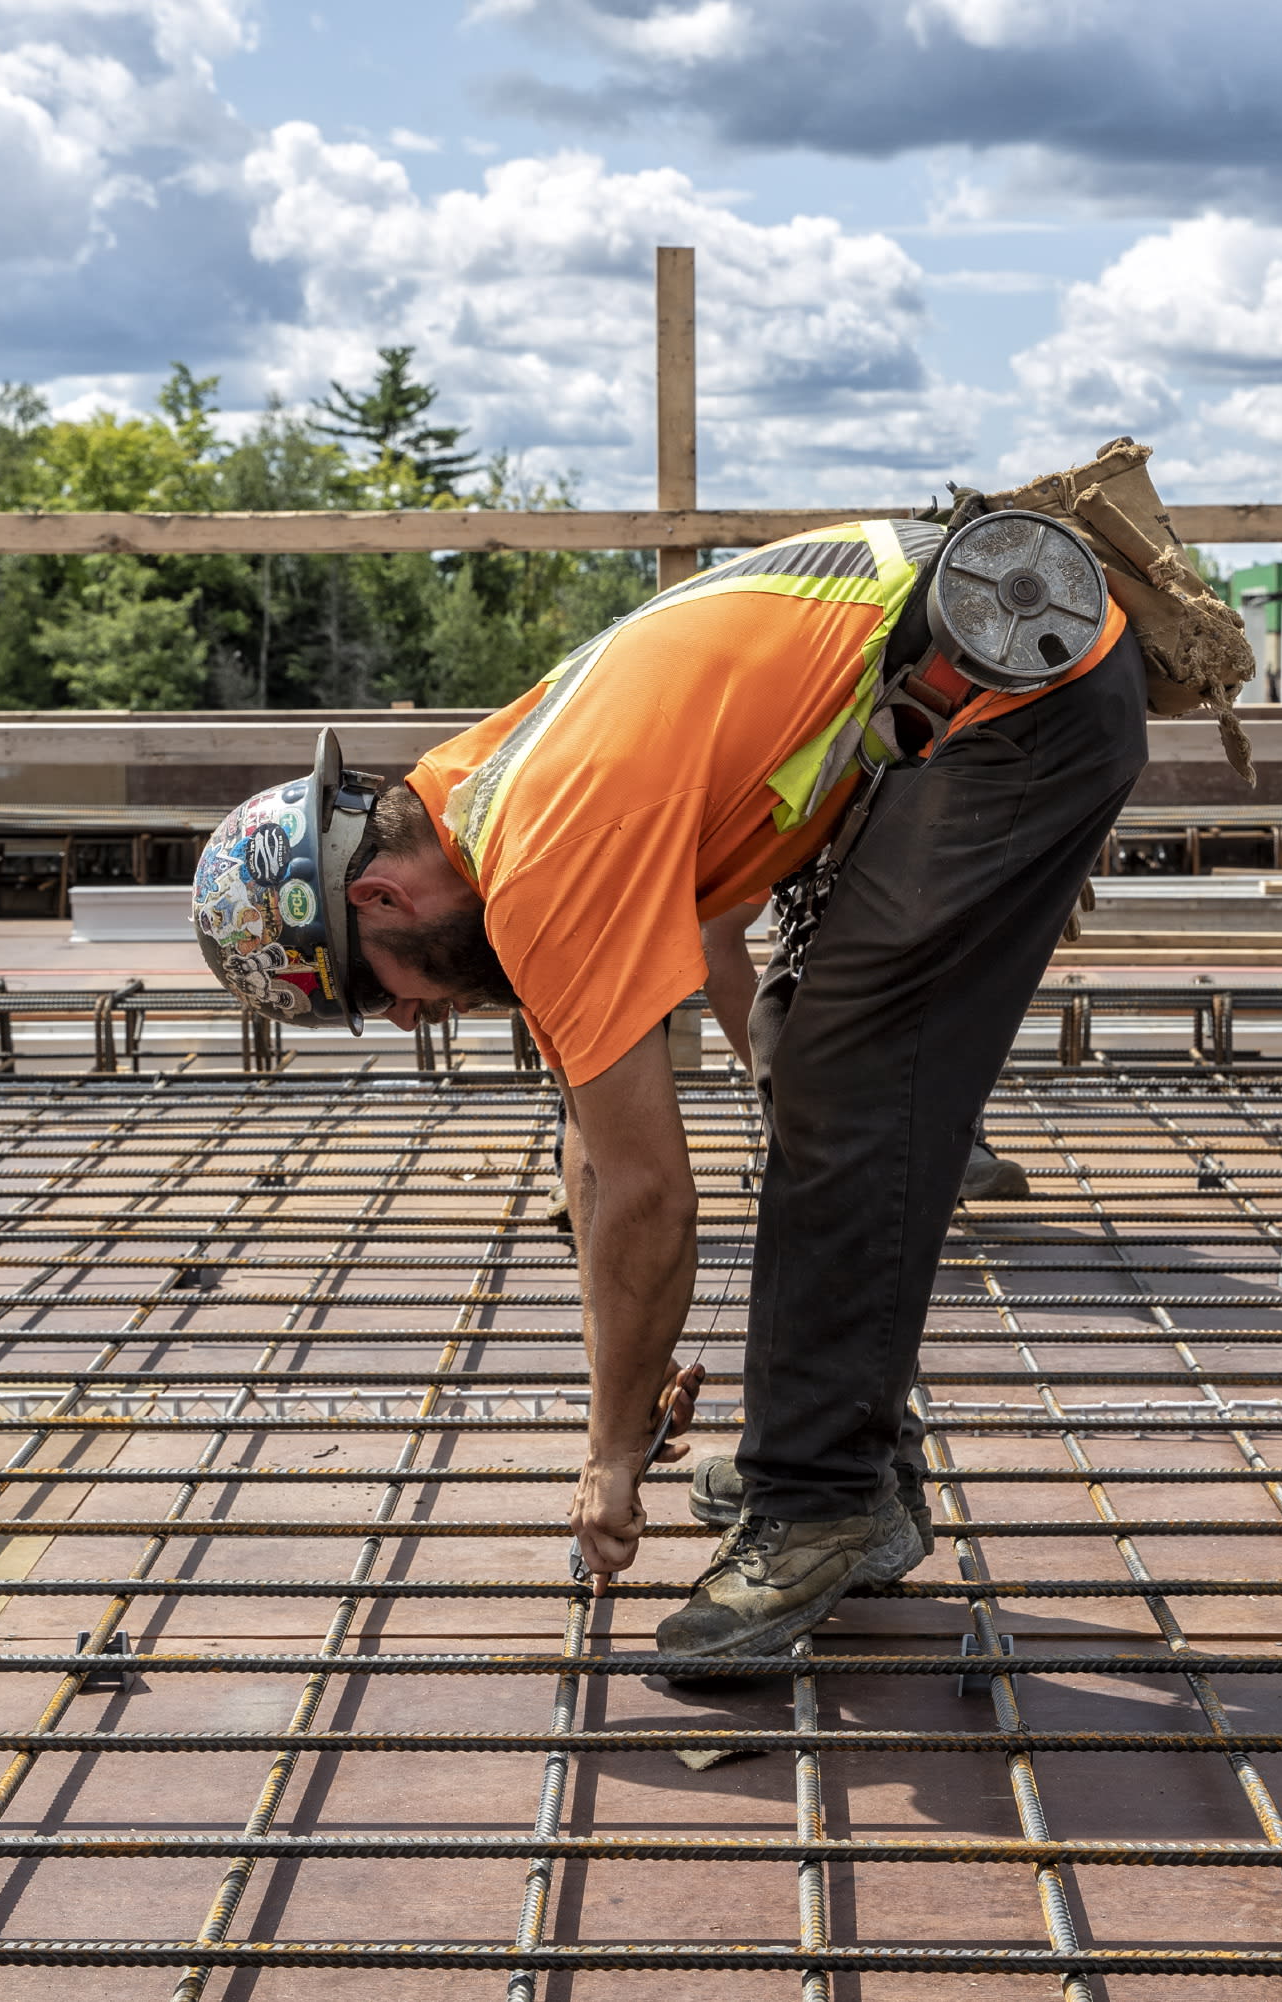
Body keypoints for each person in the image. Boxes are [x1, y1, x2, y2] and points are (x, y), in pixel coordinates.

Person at [190, 515, 1149, 1660]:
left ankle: (826, 1497)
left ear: (384, 898)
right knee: (806, 1054)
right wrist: (624, 1407)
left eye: (372, 991)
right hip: (962, 672)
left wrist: (604, 1456)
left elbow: (652, 1195)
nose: (403, 1017)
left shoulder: (539, 855)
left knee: (851, 1085)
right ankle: (843, 1458)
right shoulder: (476, 804)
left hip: (1016, 696)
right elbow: (593, 1148)